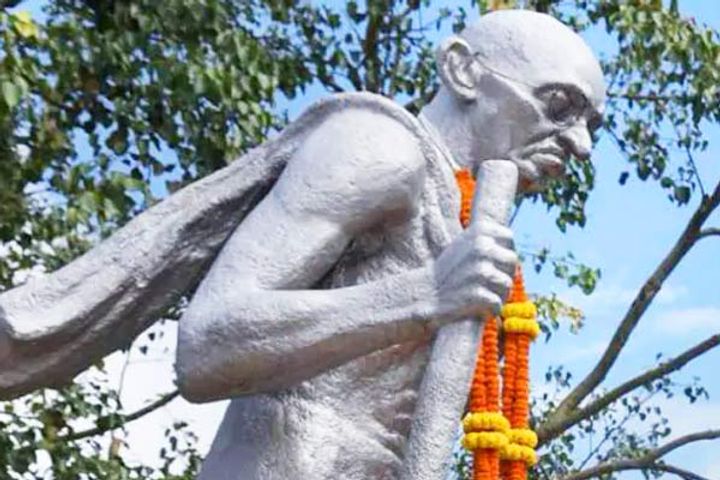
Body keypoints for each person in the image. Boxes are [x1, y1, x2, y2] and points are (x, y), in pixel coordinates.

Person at [0, 9, 604, 479]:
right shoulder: (380, 149)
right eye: (558, 106)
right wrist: (424, 293)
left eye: (589, 124)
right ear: (463, 71)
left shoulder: (463, 209)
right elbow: (209, 342)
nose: (579, 144)